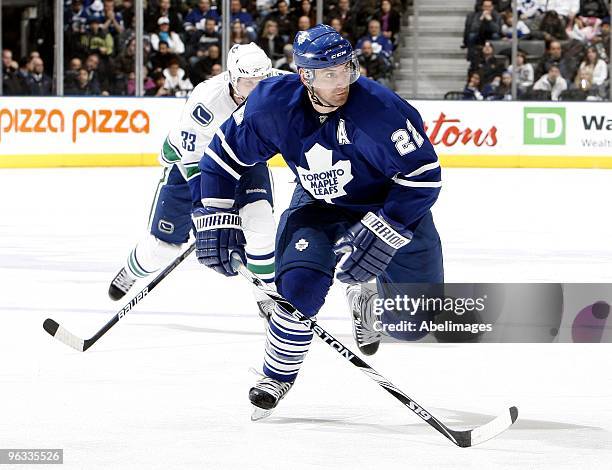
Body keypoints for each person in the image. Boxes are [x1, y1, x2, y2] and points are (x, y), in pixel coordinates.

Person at [192, 25, 443, 417]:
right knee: (298, 288)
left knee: (413, 323)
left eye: (346, 69)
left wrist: (386, 228)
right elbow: (222, 159)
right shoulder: (271, 105)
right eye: (329, 74)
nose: (341, 80)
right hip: (318, 204)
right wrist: (214, 211)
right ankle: (276, 376)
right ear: (305, 75)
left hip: (390, 205)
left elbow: (424, 176)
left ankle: (368, 299)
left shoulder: (381, 110)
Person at [108, 44, 285, 323]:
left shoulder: (278, 84)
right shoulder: (207, 100)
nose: (254, 90)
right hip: (194, 165)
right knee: (161, 248)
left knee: (261, 224)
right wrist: (205, 211)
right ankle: (133, 270)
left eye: (260, 82)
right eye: (246, 83)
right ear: (231, 77)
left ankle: (267, 297)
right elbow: (191, 160)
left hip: (245, 163)